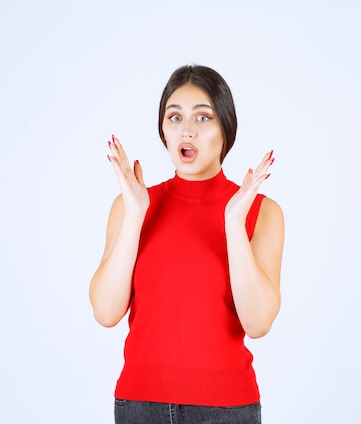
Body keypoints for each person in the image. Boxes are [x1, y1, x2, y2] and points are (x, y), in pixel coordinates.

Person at [89, 65, 285, 424]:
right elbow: (105, 312)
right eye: (174, 117)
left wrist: (233, 225)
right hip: (138, 406)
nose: (187, 130)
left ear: (226, 128)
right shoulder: (132, 205)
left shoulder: (261, 212)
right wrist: (135, 216)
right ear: (163, 130)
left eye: (203, 117)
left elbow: (257, 323)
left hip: (227, 409)